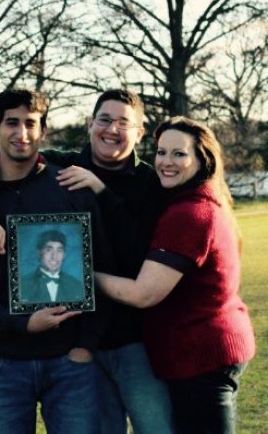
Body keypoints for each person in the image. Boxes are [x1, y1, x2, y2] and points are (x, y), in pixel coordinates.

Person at [0, 89, 174, 434]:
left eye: (123, 123)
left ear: (140, 132)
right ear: (90, 123)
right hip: (51, 348)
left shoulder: (150, 182)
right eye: (104, 120)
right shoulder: (64, 169)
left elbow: (128, 251)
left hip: (126, 340)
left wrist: (101, 191)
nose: (112, 129)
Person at [94, 116, 256, 434]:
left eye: (179, 154)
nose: (166, 162)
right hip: (209, 350)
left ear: (202, 160)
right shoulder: (201, 201)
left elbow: (143, 293)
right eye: (161, 152)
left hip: (202, 357)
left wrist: (83, 277)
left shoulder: (189, 214)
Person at [21, 229, 84, 303]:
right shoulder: (23, 284)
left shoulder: (76, 285)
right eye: (48, 250)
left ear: (64, 255)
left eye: (59, 250)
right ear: (38, 253)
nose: (54, 257)